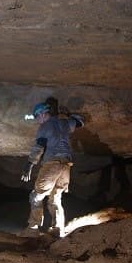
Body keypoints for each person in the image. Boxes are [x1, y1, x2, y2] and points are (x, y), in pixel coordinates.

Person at [20, 98, 84, 237]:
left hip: (52, 164)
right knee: (55, 198)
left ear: (43, 114)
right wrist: (68, 115)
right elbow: (80, 121)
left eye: (37, 117)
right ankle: (57, 229)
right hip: (66, 166)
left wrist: (30, 164)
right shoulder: (64, 123)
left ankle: (33, 228)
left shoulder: (44, 126)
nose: (37, 120)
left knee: (36, 196)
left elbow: (39, 146)